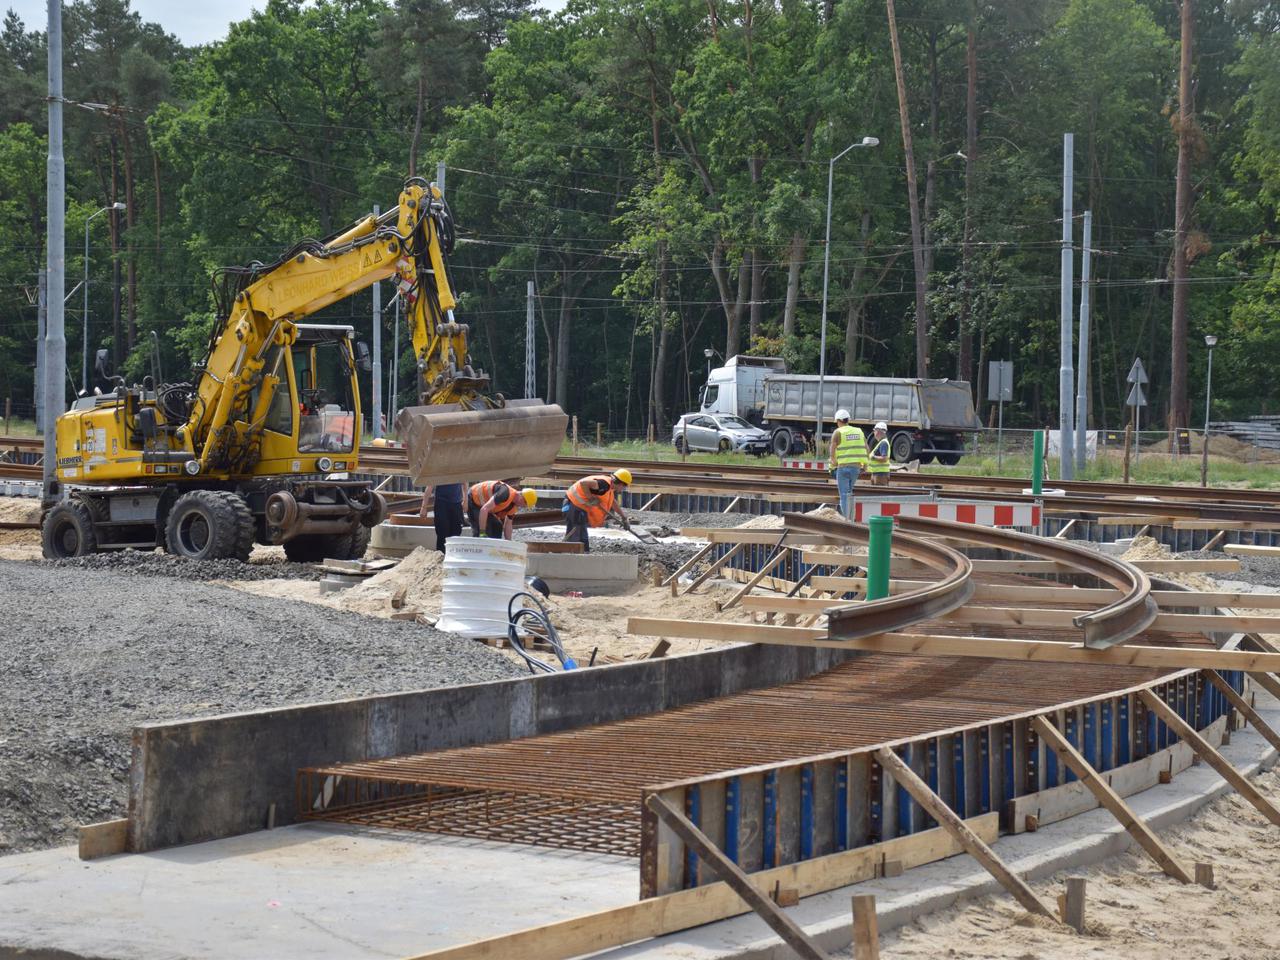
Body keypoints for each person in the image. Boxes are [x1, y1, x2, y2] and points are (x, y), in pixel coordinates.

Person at [563, 469, 632, 552]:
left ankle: (584, 554)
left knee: (582, 534)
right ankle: (572, 555)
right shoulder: (603, 484)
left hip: (579, 507)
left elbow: (613, 502)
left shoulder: (609, 487)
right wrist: (590, 498)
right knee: (575, 533)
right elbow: (583, 483)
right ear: (621, 483)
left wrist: (623, 517)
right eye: (624, 487)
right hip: (572, 503)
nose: (623, 489)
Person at [828, 409, 867, 519]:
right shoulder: (859, 431)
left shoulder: (838, 432)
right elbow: (866, 448)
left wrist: (833, 461)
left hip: (843, 468)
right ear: (848, 420)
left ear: (839, 421)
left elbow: (832, 449)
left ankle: (847, 519)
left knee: (844, 496)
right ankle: (851, 515)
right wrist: (866, 465)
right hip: (856, 467)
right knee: (849, 492)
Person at [467, 480, 537, 540]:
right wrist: (482, 533)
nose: (524, 507)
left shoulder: (513, 506)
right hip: (473, 498)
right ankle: (478, 550)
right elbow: (484, 509)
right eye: (525, 505)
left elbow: (508, 524)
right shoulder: (505, 493)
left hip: (484, 505)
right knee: (484, 530)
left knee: (497, 526)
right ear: (522, 498)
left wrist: (508, 543)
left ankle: (494, 551)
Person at [420, 483, 464, 555]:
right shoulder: (438, 471)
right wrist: (424, 507)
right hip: (441, 503)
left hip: (457, 504)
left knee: (456, 533)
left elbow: (464, 482)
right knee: (442, 532)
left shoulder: (459, 471)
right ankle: (441, 557)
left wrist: (465, 500)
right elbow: (430, 486)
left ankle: (453, 557)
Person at [867, 421, 891, 486]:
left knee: (880, 494)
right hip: (877, 473)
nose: (874, 433)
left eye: (875, 431)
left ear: (878, 431)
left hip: (880, 474)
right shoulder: (882, 442)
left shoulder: (883, 443)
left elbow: (884, 458)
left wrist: (873, 457)